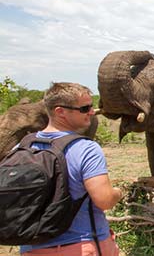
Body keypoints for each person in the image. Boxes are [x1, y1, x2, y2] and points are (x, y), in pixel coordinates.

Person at [20, 82, 122, 256]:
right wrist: (118, 193)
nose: (91, 112)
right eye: (84, 108)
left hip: (32, 248)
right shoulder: (86, 149)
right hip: (81, 245)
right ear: (60, 112)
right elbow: (104, 200)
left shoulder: (22, 148)